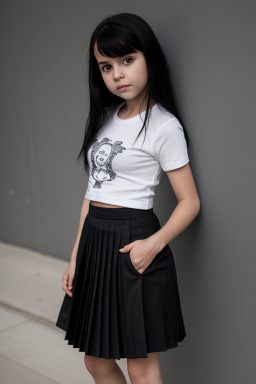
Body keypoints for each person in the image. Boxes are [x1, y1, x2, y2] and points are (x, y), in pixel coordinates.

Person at [56, 12, 200, 384]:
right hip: (95, 241)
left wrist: (152, 245)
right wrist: (76, 256)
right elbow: (93, 192)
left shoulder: (164, 125)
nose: (117, 74)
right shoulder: (105, 117)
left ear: (148, 58)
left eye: (127, 60)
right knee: (96, 361)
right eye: (106, 66)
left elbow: (190, 202)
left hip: (133, 241)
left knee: (141, 365)